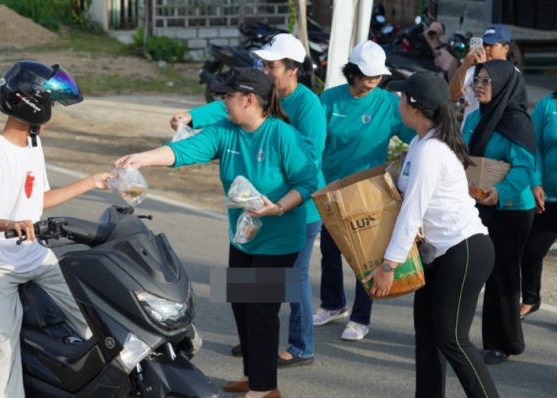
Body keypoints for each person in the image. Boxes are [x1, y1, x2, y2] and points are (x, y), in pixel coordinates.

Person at [117, 67, 318, 398]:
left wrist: (277, 207)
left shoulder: (283, 135)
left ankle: (266, 388)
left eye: (228, 96)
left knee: (262, 311)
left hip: (281, 238)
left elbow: (307, 183)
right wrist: (141, 159)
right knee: (241, 302)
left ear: (249, 99)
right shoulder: (226, 130)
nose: (223, 102)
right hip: (244, 235)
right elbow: (185, 151)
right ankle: (254, 376)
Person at [171, 33, 325, 367]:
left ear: (292, 70)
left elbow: (308, 161)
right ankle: (257, 347)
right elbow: (230, 103)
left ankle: (300, 346)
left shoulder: (307, 104)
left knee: (288, 282)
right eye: (264, 65)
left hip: (295, 208)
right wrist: (193, 116)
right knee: (244, 292)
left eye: (272, 66)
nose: (266, 70)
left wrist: (280, 197)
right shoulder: (257, 96)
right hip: (254, 209)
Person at [0, 60, 107, 398]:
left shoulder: (32, 142)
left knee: (93, 318)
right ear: (32, 103)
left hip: (35, 256)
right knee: (3, 344)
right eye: (51, 103)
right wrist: (9, 224)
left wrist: (91, 181)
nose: (53, 110)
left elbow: (38, 199)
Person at [367, 71, 499, 398]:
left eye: (401, 97)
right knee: (426, 335)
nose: (398, 101)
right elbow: (405, 195)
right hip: (440, 253)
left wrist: (388, 266)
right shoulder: (420, 142)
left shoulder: (431, 151)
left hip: (464, 249)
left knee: (451, 338)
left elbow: (412, 211)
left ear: (414, 107)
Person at [315, 41, 415, 341]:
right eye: (367, 75)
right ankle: (333, 305)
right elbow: (316, 144)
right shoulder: (329, 100)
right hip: (332, 189)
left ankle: (360, 317)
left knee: (365, 256)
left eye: (377, 76)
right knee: (330, 252)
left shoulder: (388, 103)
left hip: (369, 192)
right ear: (353, 72)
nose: (373, 81)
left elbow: (416, 132)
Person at [462, 59, 535, 365]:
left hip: (511, 208)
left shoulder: (517, 122)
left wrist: (500, 194)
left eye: (485, 82)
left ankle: (502, 343)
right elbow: (464, 152)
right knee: (478, 270)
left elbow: (524, 168)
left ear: (503, 85)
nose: (478, 87)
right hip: (480, 202)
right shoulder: (476, 117)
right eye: (477, 80)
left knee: (502, 276)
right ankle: (466, 336)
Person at [520, 90, 557, 320]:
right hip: (549, 196)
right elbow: (534, 148)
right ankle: (531, 299)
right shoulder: (546, 106)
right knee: (532, 250)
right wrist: (535, 182)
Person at [448, 25, 519, 130]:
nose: (487, 48)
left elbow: (498, 103)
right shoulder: (473, 69)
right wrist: (465, 65)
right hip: (469, 133)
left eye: (492, 45)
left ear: (505, 48)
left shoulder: (513, 73)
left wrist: (485, 69)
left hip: (494, 134)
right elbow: (452, 95)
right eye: (485, 44)